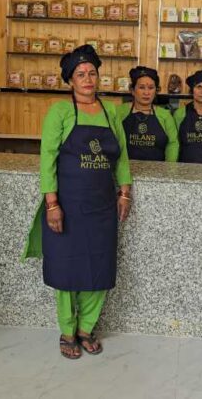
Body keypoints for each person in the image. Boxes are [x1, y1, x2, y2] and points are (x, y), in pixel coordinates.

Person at [22, 44, 132, 360]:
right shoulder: (60, 111)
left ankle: (86, 328)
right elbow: (47, 159)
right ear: (70, 80)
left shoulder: (111, 111)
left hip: (102, 205)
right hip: (68, 205)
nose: (87, 79)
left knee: (100, 267)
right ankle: (67, 330)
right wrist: (52, 204)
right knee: (66, 269)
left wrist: (125, 192)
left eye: (92, 73)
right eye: (80, 74)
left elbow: (122, 156)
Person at [117, 66, 178, 162]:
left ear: (156, 91)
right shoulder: (119, 112)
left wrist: (169, 167)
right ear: (132, 90)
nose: (146, 92)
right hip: (126, 169)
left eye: (151, 88)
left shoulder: (165, 115)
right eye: (141, 87)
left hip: (157, 170)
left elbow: (172, 144)